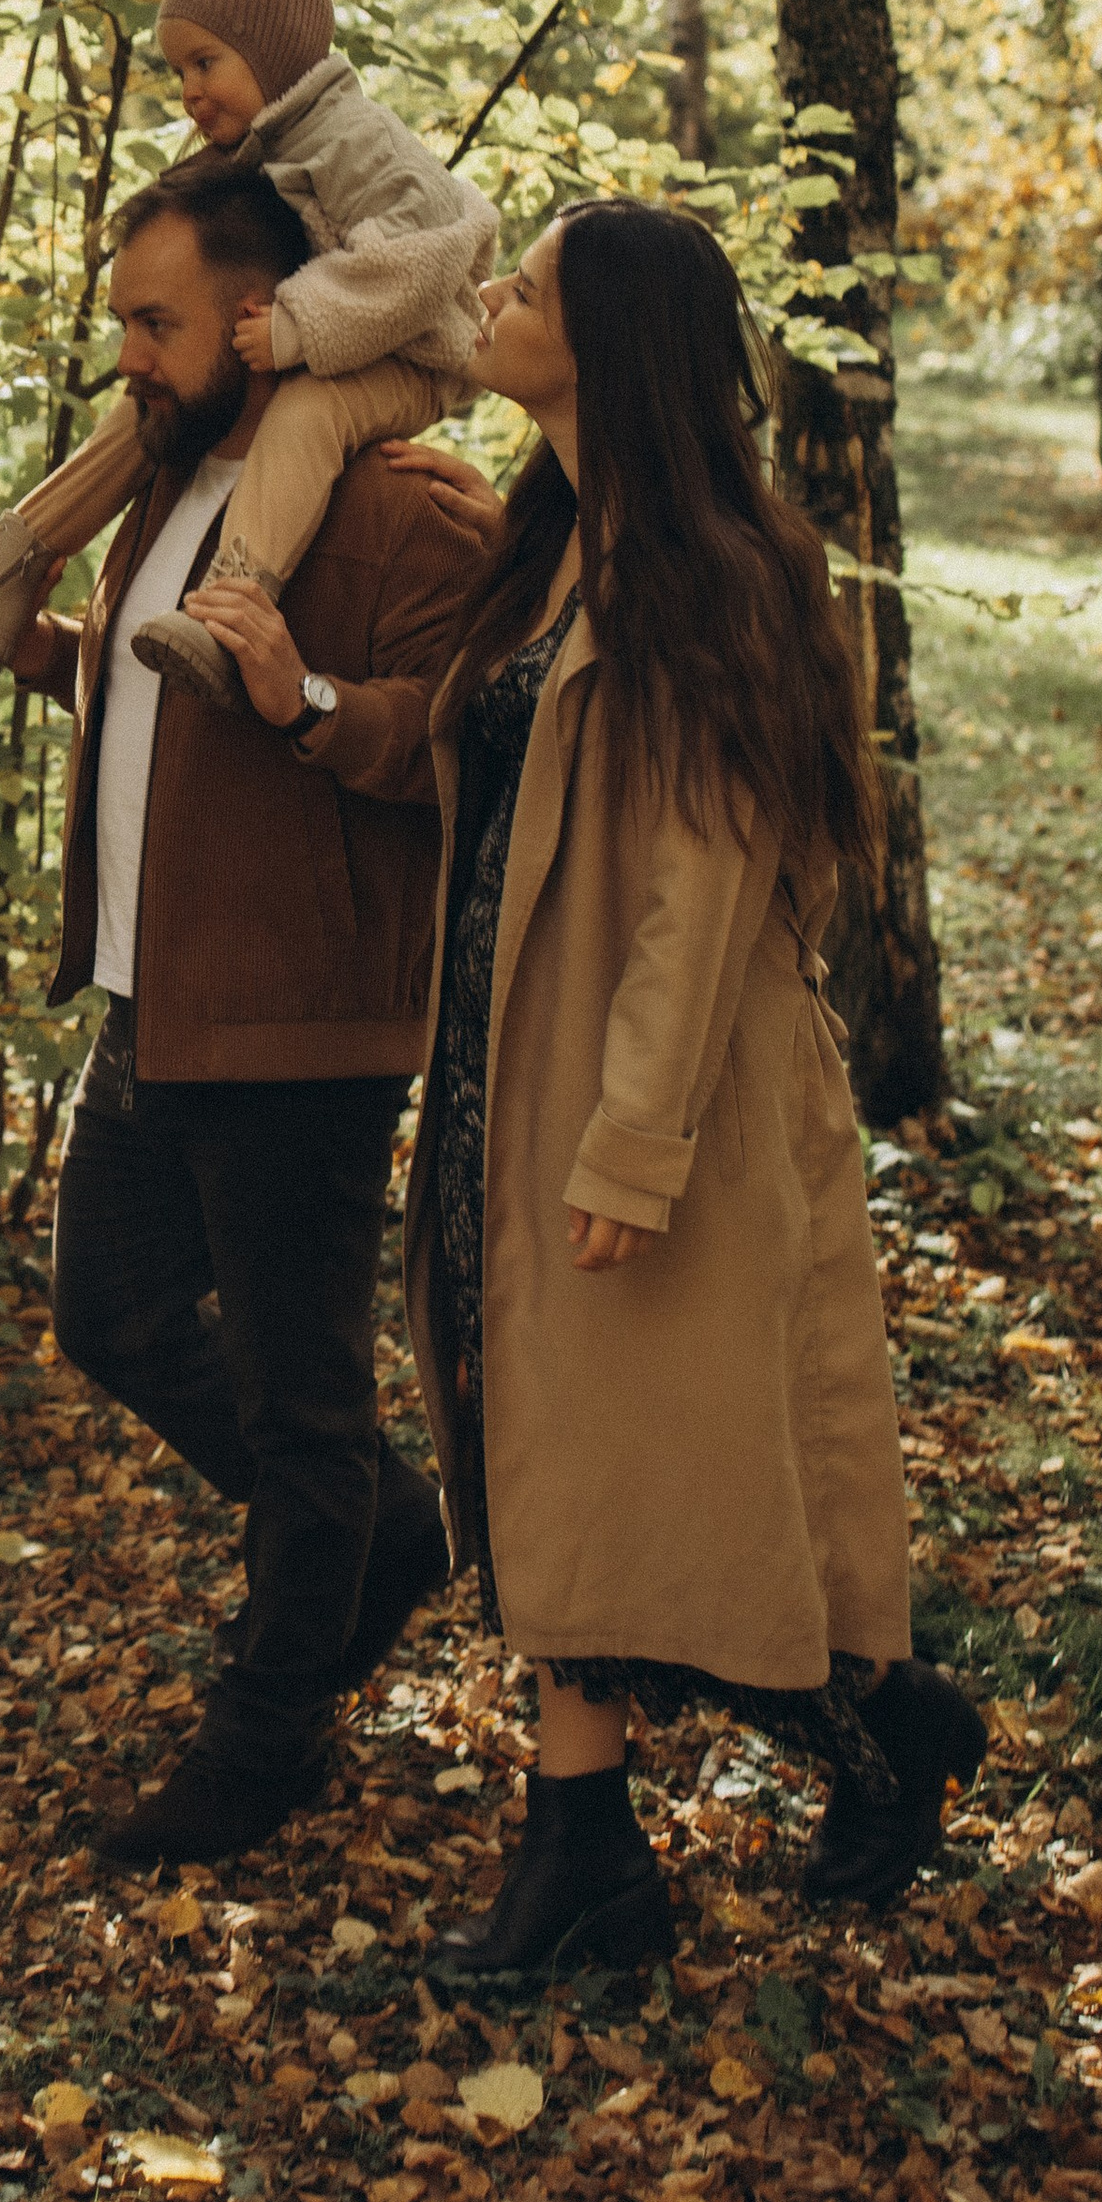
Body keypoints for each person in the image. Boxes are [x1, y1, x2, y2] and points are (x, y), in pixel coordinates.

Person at [388, 201, 986, 1981]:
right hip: (515, 1065)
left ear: (614, 340)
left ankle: (854, 1750)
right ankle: (597, 1859)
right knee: (563, 1463)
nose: (490, 297)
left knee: (679, 1481)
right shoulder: (551, 546)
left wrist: (633, 1145)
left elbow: (706, 886)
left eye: (531, 283)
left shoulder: (711, 570)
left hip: (668, 1096)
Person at [12, 157, 487, 1868]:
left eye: (155, 320)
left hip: (300, 1035)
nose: (128, 353)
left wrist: (315, 702)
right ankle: (385, 1542)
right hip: (155, 1001)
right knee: (112, 1318)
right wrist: (57, 653)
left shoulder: (408, 504)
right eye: (123, 320)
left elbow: (469, 755)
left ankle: (266, 1738)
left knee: (303, 1413)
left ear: (261, 314)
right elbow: (163, 704)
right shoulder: (174, 480)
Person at [0, 0, 497, 714]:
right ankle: (1, 570)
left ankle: (234, 608)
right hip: (325, 331)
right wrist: (45, 650)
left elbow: (423, 253)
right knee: (142, 408)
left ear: (274, 56)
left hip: (410, 348)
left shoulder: (359, 140)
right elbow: (132, 706)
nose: (191, 91)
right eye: (181, 70)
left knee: (304, 415)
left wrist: (298, 320)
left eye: (207, 63)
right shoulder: (178, 461)